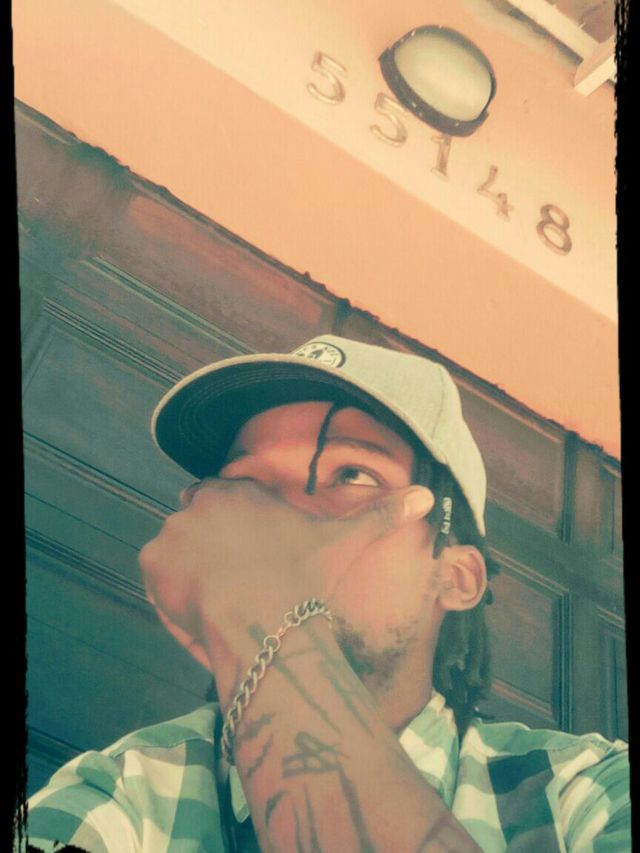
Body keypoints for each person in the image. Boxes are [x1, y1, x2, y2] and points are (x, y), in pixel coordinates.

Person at [21, 335, 629, 851]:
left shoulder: (587, 791)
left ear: (456, 575)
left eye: (352, 475)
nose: (278, 521)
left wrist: (268, 622)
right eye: (243, 488)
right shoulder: (123, 791)